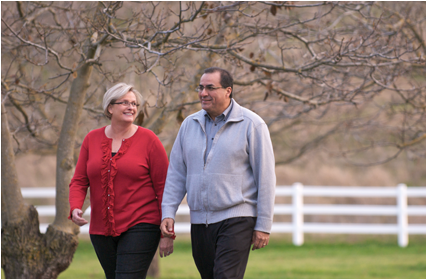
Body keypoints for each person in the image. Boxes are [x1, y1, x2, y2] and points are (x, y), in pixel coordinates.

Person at [160, 67, 276, 279]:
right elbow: (176, 174)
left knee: (225, 276)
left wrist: (264, 225)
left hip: (237, 218)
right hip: (200, 222)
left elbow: (266, 178)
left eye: (210, 88)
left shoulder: (252, 125)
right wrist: (168, 212)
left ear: (228, 91)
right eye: (201, 87)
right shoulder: (189, 125)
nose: (203, 93)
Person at [69, 83, 173, 279]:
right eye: (124, 102)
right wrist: (75, 206)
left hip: (142, 223)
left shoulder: (149, 140)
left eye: (134, 103)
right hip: (101, 229)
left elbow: (164, 187)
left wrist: (167, 231)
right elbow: (79, 180)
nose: (131, 107)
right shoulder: (92, 139)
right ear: (110, 107)